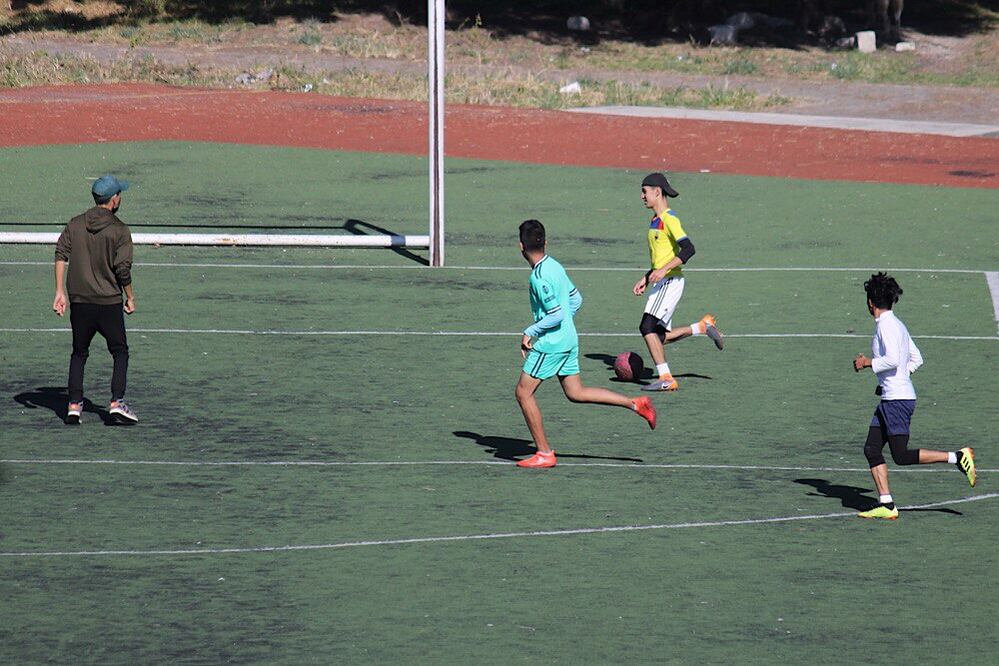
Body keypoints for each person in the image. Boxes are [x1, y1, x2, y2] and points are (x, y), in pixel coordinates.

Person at [515, 219, 657, 469]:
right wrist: (565, 326)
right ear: (545, 242)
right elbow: (576, 300)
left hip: (552, 343)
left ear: (520, 246)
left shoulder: (538, 277)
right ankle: (634, 403)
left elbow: (556, 314)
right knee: (575, 392)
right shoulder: (555, 266)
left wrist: (530, 332)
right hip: (569, 338)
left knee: (523, 392)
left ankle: (544, 453)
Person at [852, 272, 975, 520]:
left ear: (870, 302)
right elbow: (916, 358)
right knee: (871, 448)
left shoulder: (886, 326)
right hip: (892, 397)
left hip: (897, 401)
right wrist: (894, 380)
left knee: (901, 455)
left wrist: (867, 363)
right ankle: (886, 504)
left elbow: (893, 360)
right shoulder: (897, 325)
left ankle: (958, 457)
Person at [53, 175, 138, 425]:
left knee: (79, 353)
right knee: (120, 351)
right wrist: (130, 296)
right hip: (108, 302)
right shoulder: (120, 230)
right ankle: (117, 402)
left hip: (80, 302)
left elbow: (61, 253)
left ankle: (73, 405)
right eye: (119, 194)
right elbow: (122, 270)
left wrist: (60, 290)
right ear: (114, 200)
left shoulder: (76, 224)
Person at [632, 172, 723, 392]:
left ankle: (666, 378)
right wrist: (647, 277)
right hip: (662, 281)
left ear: (657, 192)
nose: (642, 196)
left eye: (645, 192)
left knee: (646, 327)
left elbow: (689, 249)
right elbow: (662, 256)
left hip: (670, 280)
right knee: (658, 336)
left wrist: (663, 270)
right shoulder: (655, 220)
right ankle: (701, 327)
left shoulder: (669, 219)